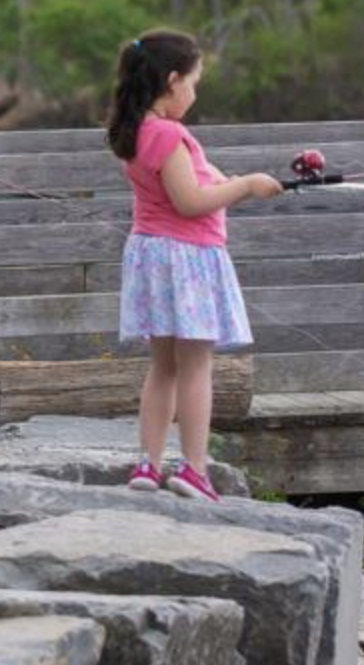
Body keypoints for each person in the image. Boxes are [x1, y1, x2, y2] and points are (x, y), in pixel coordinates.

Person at [106, 29, 282, 502]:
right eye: (194, 82)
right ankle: (194, 470)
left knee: (162, 366)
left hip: (152, 256)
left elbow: (180, 185)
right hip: (186, 260)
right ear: (172, 80)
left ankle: (148, 463)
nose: (195, 93)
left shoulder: (138, 130)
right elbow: (189, 202)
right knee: (196, 366)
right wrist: (247, 185)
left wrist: (224, 178)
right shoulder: (167, 133)